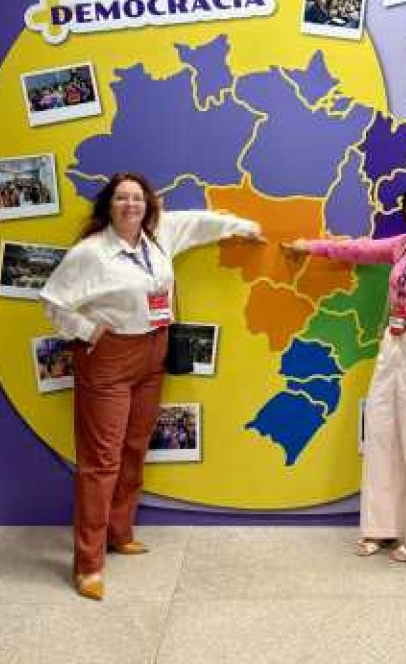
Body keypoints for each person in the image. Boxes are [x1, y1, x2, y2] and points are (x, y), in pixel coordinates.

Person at [39, 172, 263, 600]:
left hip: (153, 352)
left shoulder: (158, 235)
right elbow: (52, 301)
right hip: (108, 357)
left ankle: (120, 533)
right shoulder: (91, 253)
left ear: (148, 205)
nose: (130, 205)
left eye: (137, 198)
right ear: (108, 206)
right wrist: (88, 331)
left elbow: (201, 223)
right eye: (121, 198)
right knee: (101, 461)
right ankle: (88, 565)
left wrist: (244, 228)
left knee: (134, 447)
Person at [282, 181, 406, 562]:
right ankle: (382, 528)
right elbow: (358, 249)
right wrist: (308, 247)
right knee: (382, 435)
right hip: (393, 346)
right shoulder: (403, 246)